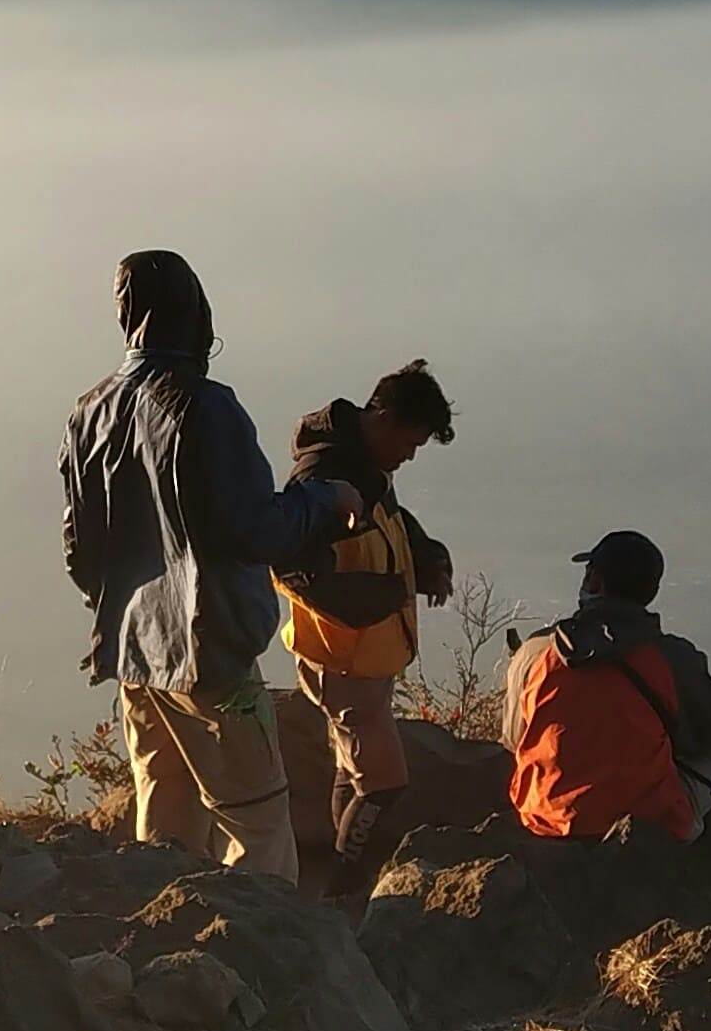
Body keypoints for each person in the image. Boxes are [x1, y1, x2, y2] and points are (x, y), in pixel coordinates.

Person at [62, 250, 365, 877]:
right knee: (255, 823)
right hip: (211, 662)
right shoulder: (205, 406)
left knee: (164, 825)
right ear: (197, 314)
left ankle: (165, 944)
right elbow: (256, 528)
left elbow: (79, 551)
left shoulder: (89, 412)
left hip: (134, 656)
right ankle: (268, 962)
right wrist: (325, 499)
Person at [501, 530, 711, 864]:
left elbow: (513, 739)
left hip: (542, 818)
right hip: (649, 825)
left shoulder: (534, 653)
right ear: (651, 591)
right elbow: (709, 735)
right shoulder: (672, 658)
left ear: (595, 582)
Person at [277, 361, 458, 885]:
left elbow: (388, 522)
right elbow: (291, 566)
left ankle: (340, 881)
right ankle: (345, 887)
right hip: (344, 656)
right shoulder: (324, 477)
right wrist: (385, 594)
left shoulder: (366, 466)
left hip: (362, 655)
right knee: (383, 786)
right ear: (381, 416)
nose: (410, 454)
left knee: (353, 773)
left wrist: (424, 558)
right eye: (410, 441)